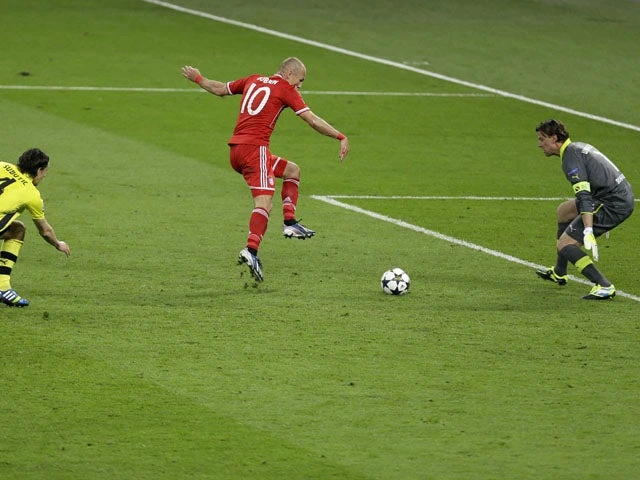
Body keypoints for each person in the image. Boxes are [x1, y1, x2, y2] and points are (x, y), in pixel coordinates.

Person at [181, 57, 349, 283]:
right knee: (264, 203)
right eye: (300, 80)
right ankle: (251, 250)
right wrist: (340, 136)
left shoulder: (253, 79)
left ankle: (290, 223)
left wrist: (198, 78)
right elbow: (313, 121)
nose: (300, 85)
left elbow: (219, 89)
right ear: (289, 74)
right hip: (254, 151)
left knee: (292, 171)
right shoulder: (286, 89)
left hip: (236, 150)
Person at [534, 119, 634, 300]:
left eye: (542, 139)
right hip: (615, 195)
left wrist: (588, 230)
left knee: (565, 244)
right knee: (564, 211)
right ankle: (560, 272)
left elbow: (584, 197)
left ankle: (604, 286)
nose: (539, 144)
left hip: (613, 204)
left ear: (554, 138)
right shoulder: (576, 148)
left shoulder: (571, 159)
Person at [0, 148, 71, 307]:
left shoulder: (2, 165)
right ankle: (2, 288)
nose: (45, 175)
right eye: (45, 171)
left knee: (17, 229)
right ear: (39, 170)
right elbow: (45, 231)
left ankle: (3, 287)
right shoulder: (31, 194)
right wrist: (57, 244)